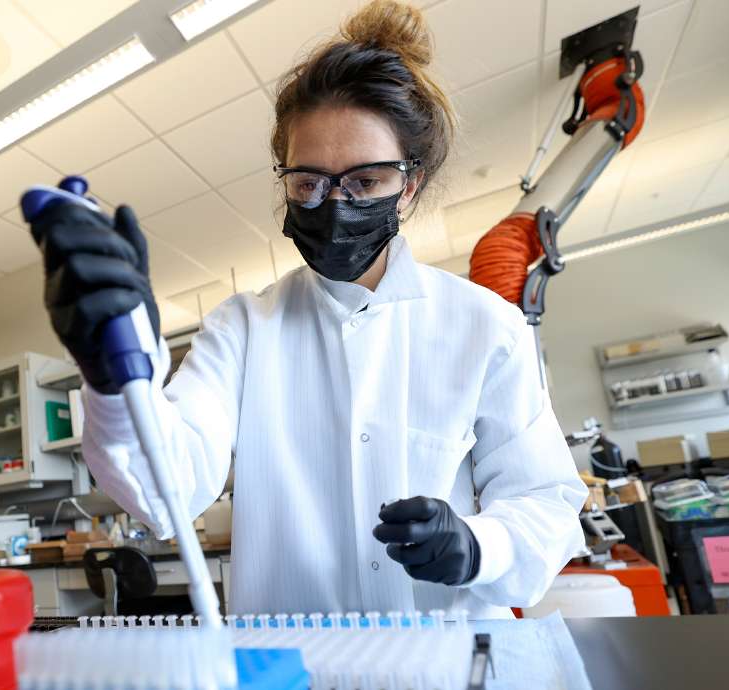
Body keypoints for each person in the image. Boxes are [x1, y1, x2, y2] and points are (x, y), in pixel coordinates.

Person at [31, 0, 585, 619]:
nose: (333, 202)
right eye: (308, 182)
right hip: (291, 666)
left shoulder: (485, 326)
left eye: (366, 180)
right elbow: (166, 493)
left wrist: (478, 546)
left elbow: (545, 503)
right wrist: (112, 375)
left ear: (411, 183)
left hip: (449, 662)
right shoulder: (243, 328)